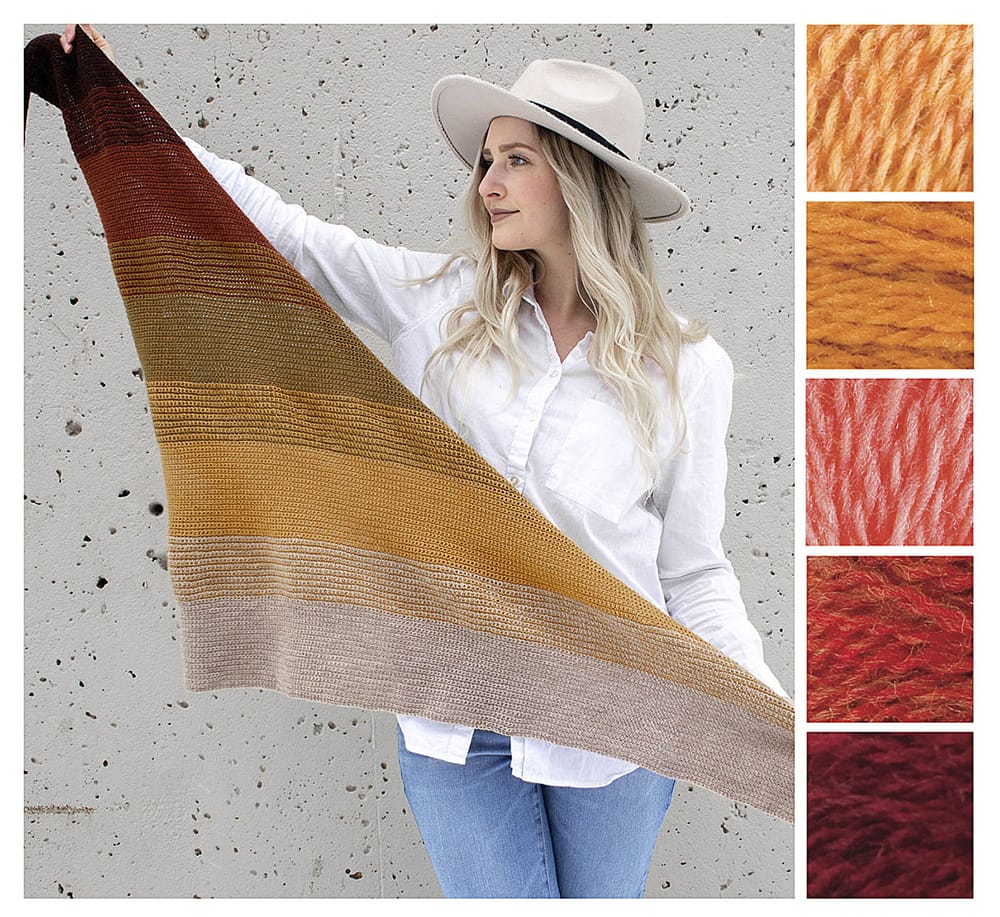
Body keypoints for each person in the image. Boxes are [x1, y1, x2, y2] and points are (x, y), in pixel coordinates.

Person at [59, 24, 788, 899]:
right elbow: (286, 233)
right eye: (485, 162)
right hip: (456, 718)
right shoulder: (436, 308)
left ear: (583, 178)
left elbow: (695, 572)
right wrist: (113, 98)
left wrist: (775, 725)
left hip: (616, 725)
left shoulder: (687, 369)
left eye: (515, 159)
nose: (487, 184)